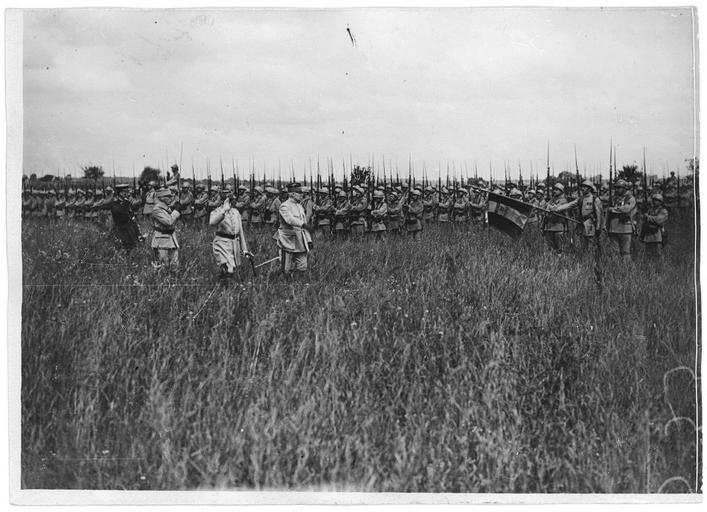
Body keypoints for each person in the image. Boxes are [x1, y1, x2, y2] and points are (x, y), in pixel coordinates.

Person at [209, 186, 252, 279]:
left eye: (232, 199)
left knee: (229, 269)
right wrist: (224, 210)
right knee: (229, 269)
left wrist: (244, 250)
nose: (232, 202)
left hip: (234, 244)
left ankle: (223, 286)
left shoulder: (236, 212)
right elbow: (212, 222)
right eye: (229, 200)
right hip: (222, 243)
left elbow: (240, 232)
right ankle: (225, 287)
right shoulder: (217, 211)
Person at [551, 180, 602, 253]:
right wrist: (557, 209)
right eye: (582, 187)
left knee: (591, 246)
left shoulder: (595, 199)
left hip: (591, 225)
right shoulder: (580, 199)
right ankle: (585, 261)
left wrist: (598, 228)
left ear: (590, 189)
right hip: (582, 225)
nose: (582, 188)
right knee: (583, 245)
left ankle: (592, 261)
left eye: (585, 187)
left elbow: (599, 215)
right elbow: (569, 205)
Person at [276, 183, 313, 276]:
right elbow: (290, 219)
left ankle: (298, 284)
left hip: (300, 241)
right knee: (286, 268)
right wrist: (303, 224)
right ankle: (286, 284)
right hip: (288, 241)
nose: (302, 195)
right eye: (299, 193)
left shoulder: (300, 207)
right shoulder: (284, 206)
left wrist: (309, 240)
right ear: (292, 194)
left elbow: (304, 224)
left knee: (302, 266)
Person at [606, 179, 636, 263]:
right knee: (614, 251)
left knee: (626, 252)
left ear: (624, 188)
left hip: (625, 228)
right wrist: (606, 226)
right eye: (616, 188)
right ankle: (616, 269)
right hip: (613, 228)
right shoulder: (614, 198)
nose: (616, 189)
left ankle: (627, 270)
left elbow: (627, 209)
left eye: (619, 188)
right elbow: (608, 212)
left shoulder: (630, 198)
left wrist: (614, 209)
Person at [150, 187, 181, 270]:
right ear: (162, 198)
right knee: (163, 266)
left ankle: (174, 281)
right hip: (162, 241)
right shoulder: (157, 209)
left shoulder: (167, 208)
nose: (171, 198)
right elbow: (168, 222)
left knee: (174, 265)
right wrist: (176, 211)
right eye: (169, 197)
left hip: (171, 239)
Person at [111, 184, 143, 251]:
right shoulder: (115, 202)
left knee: (133, 246)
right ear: (120, 193)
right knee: (124, 247)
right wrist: (126, 201)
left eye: (128, 192)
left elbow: (133, 210)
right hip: (121, 229)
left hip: (130, 228)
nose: (128, 193)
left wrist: (137, 203)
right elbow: (120, 211)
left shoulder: (127, 202)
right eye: (126, 192)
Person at [639, 192, 669, 261]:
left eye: (657, 200)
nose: (654, 202)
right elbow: (644, 223)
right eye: (654, 200)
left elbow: (658, 220)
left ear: (660, 202)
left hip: (658, 235)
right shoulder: (650, 210)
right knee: (648, 255)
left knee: (658, 254)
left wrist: (648, 217)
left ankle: (660, 269)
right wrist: (642, 235)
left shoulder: (663, 211)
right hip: (648, 235)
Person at [544, 183, 569, 253]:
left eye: (557, 190)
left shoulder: (564, 201)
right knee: (550, 248)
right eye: (554, 189)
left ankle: (559, 261)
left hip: (558, 226)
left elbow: (556, 209)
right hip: (549, 226)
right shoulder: (551, 200)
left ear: (561, 191)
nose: (554, 191)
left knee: (559, 248)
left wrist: (549, 207)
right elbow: (545, 208)